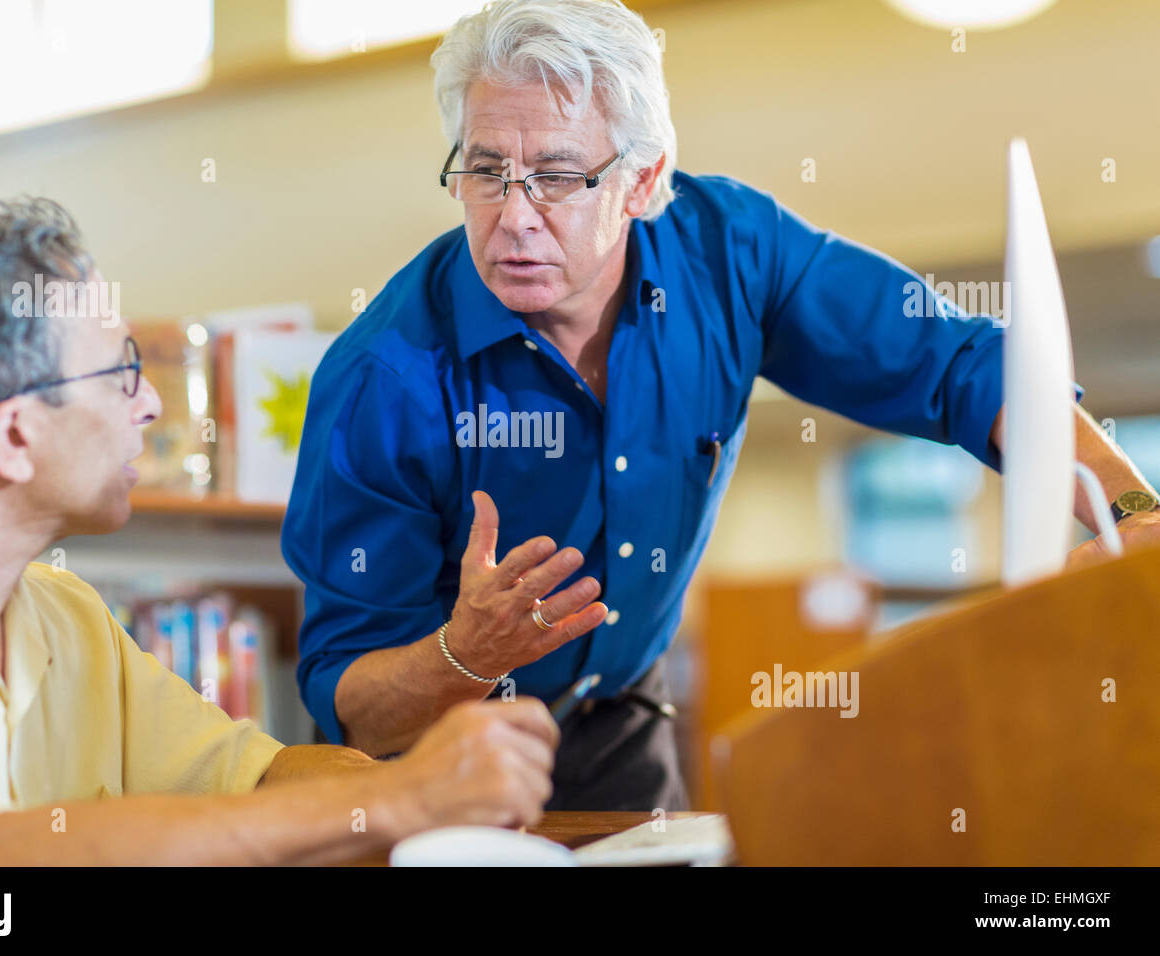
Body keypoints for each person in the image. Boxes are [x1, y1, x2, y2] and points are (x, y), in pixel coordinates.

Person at [283, 0, 1160, 811]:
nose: (514, 216)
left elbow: (958, 368)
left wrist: (1128, 511)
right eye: (485, 171)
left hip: (623, 719)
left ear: (640, 179)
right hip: (440, 759)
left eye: (555, 176)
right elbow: (352, 706)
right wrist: (463, 656)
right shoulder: (380, 383)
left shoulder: (730, 252)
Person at [0, 198, 558, 866]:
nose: (152, 402)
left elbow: (254, 777)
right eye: (121, 371)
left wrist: (439, 791)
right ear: (15, 435)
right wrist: (401, 797)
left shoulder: (65, 614)